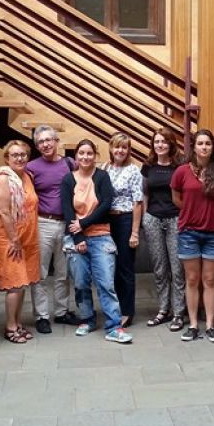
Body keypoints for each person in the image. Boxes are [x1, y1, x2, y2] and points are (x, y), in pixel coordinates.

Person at [61, 139, 132, 343]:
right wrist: (78, 236)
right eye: (81, 153)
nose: (85, 157)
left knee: (106, 282)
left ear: (95, 155)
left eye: (89, 153)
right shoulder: (68, 180)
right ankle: (87, 319)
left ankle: (113, 326)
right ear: (76, 156)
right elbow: (67, 210)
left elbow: (106, 204)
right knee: (81, 282)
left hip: (101, 235)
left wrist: (83, 223)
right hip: (77, 238)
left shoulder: (102, 176)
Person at [171, 129, 214, 342]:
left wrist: (210, 213)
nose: (204, 147)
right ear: (194, 147)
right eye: (200, 143)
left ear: (213, 147)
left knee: (209, 279)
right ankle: (193, 325)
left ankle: (210, 325)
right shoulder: (181, 172)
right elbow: (177, 199)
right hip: (189, 232)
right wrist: (193, 211)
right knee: (192, 279)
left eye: (208, 143)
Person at [27, 125, 79, 334]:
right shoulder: (31, 167)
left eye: (49, 140)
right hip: (43, 223)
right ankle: (41, 316)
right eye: (41, 142)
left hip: (67, 224)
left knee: (63, 272)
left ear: (57, 141)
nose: (46, 144)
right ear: (37, 146)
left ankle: (61, 311)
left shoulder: (69, 163)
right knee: (39, 272)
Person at [0, 140, 41, 344]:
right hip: (9, 239)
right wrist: (13, 239)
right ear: (6, 158)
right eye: (15, 155)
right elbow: (3, 211)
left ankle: (17, 322)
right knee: (14, 283)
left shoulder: (27, 176)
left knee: (23, 283)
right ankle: (10, 327)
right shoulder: (3, 178)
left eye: (23, 155)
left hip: (27, 237)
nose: (19, 158)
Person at [142, 126, 186, 331]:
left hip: (174, 219)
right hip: (153, 219)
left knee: (177, 268)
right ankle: (163, 309)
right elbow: (145, 193)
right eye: (157, 141)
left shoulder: (180, 166)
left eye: (164, 141)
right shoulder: (148, 166)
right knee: (160, 269)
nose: (160, 145)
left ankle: (179, 313)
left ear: (171, 144)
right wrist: (144, 218)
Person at [103, 133, 144, 327]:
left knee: (124, 266)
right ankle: (112, 307)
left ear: (128, 150)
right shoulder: (104, 168)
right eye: (117, 147)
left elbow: (138, 202)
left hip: (125, 220)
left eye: (124, 147)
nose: (120, 150)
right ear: (111, 148)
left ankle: (127, 310)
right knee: (108, 267)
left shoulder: (133, 170)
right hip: (106, 221)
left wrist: (135, 232)